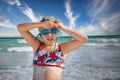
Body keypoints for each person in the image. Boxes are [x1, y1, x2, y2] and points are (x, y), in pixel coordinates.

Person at [17, 17, 88, 80]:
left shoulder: (62, 48)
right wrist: (40, 24)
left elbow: (83, 39)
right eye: (45, 31)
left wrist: (63, 28)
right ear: (40, 35)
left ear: (58, 33)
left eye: (53, 31)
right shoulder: (37, 45)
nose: (49, 35)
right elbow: (20, 28)